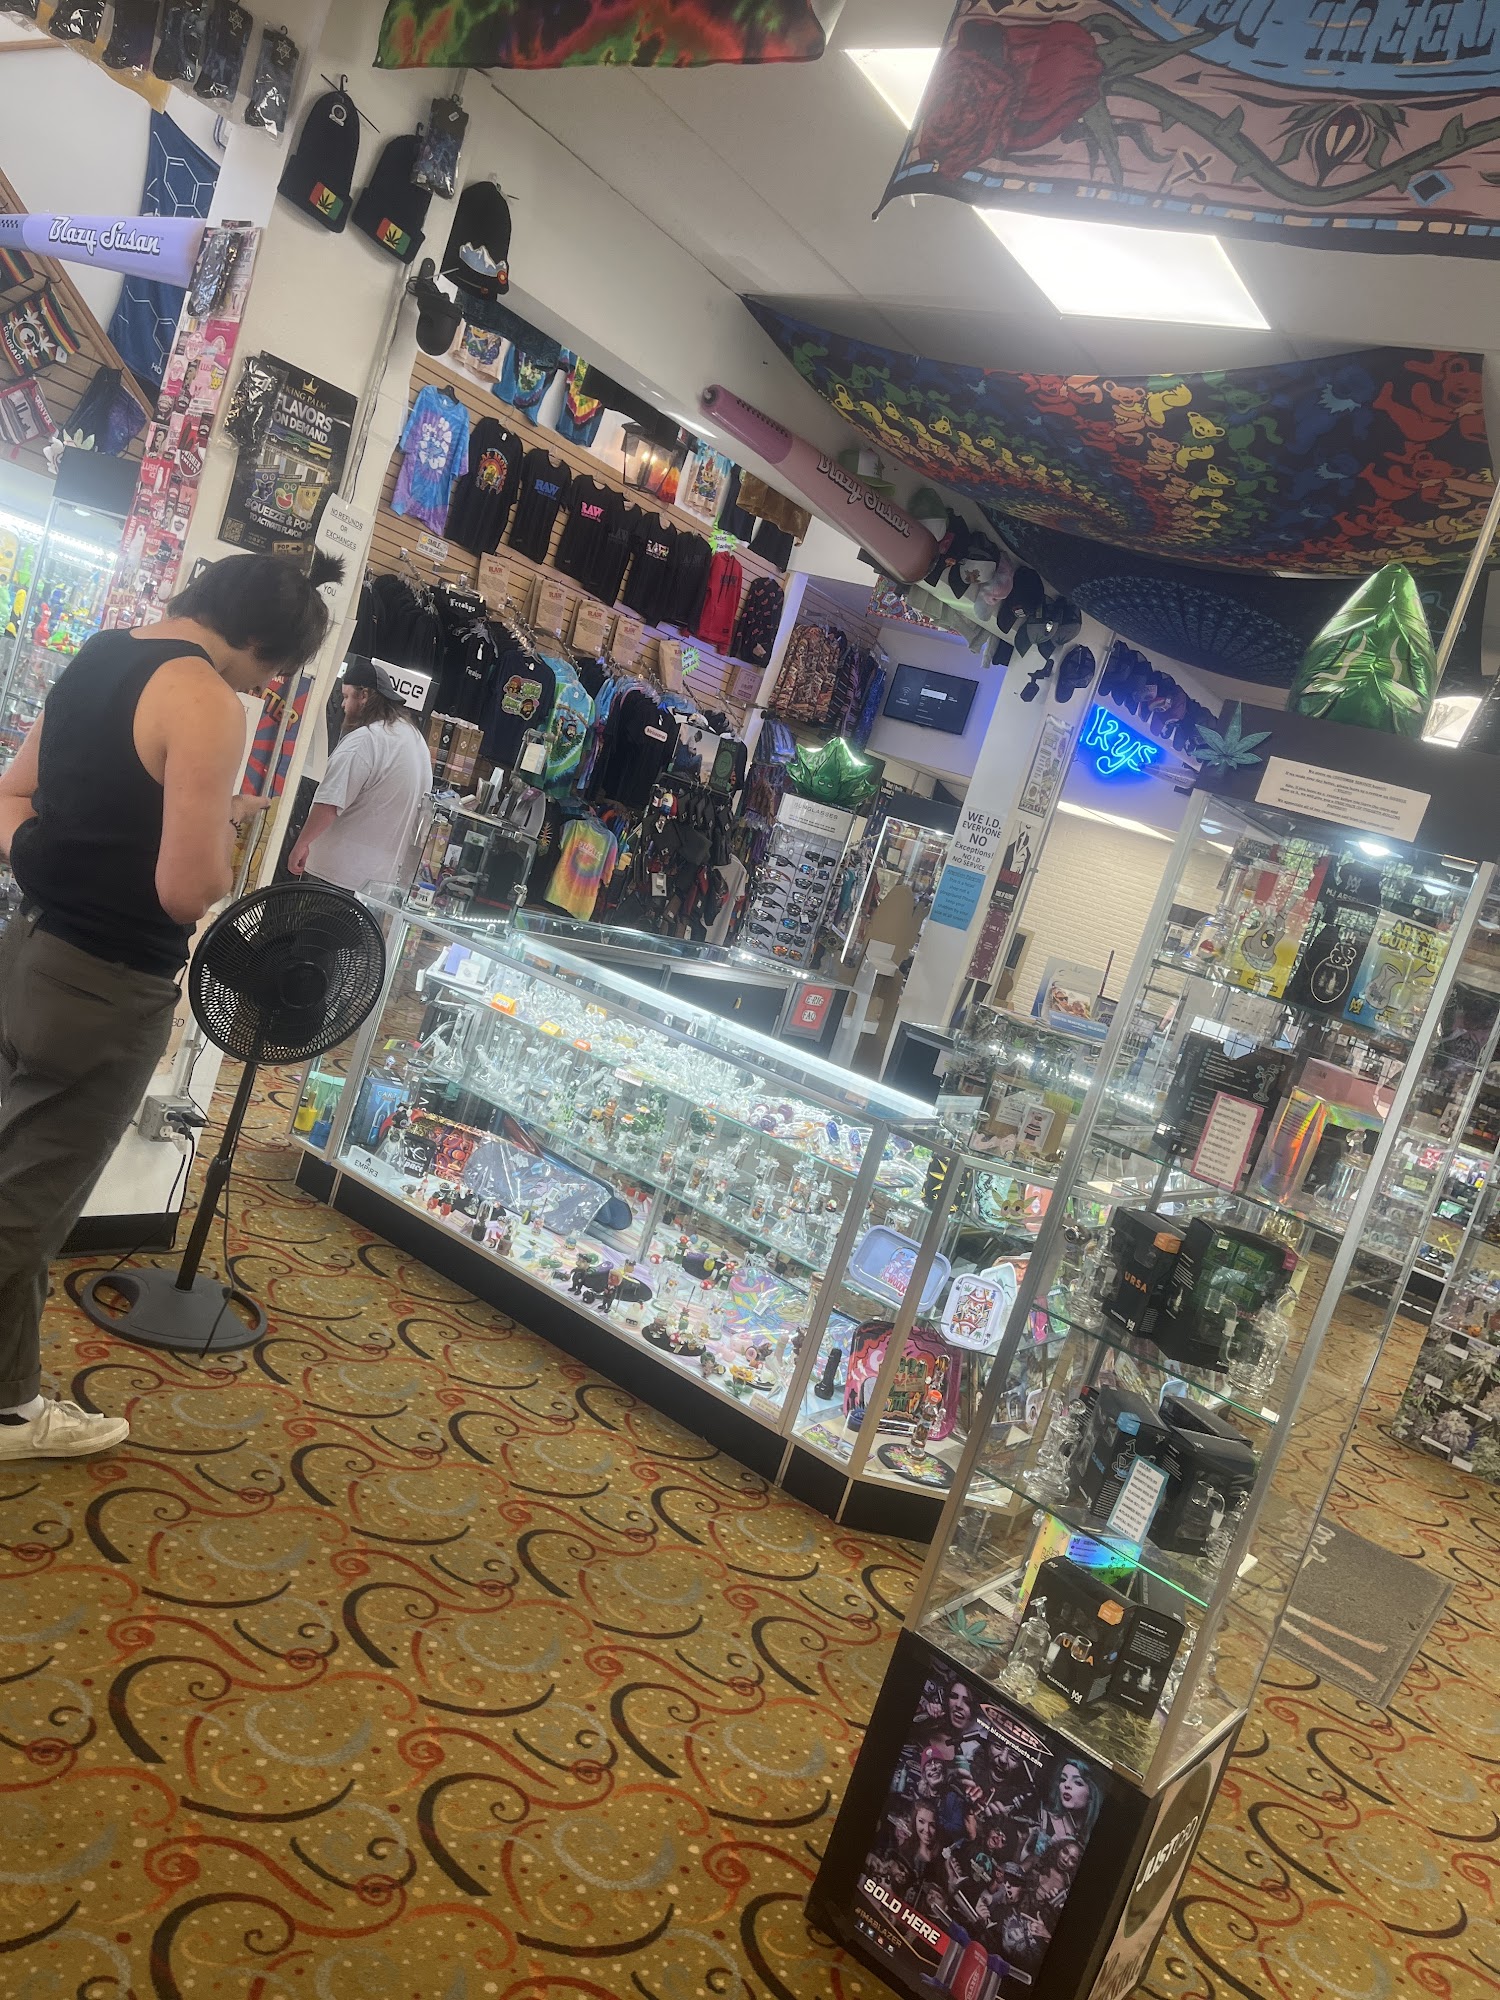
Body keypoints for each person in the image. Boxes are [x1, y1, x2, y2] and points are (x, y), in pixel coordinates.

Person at [0, 554, 328, 1460]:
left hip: (27, 953)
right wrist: (221, 825)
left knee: (23, 1184)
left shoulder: (100, 653)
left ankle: (10, 1408)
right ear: (257, 639)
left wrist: (55, 864)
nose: (263, 687)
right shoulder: (206, 700)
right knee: (27, 1207)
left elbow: (12, 797)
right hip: (105, 986)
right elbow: (188, 890)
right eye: (272, 669)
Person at [287, 657, 431, 892]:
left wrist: (302, 843)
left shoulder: (366, 740)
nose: (343, 705)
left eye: (346, 696)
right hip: (380, 884)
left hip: (334, 875)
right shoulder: (416, 741)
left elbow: (330, 803)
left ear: (364, 695)